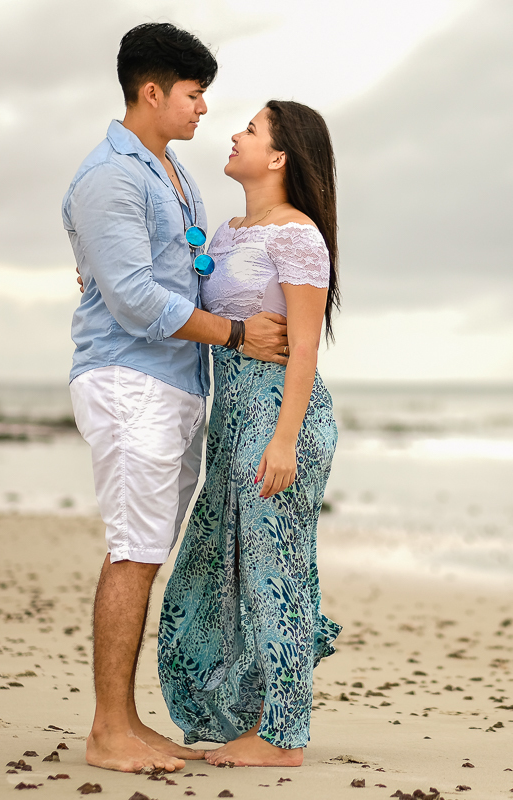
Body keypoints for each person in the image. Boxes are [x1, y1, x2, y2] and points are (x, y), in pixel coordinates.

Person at [62, 23, 291, 774]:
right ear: (151, 92)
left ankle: (124, 720)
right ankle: (107, 731)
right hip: (131, 380)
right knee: (133, 548)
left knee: (148, 546)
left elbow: (181, 270)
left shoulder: (174, 174)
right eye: (193, 96)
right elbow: (131, 299)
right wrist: (234, 335)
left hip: (174, 382)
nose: (203, 111)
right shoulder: (112, 177)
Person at [157, 100, 342, 767]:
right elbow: (177, 294)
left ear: (281, 156)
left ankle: (283, 738)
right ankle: (247, 715)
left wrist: (285, 439)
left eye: (252, 129)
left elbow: (306, 349)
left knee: (274, 574)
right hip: (229, 423)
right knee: (217, 568)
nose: (234, 134)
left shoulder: (297, 236)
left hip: (280, 418)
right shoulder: (230, 231)